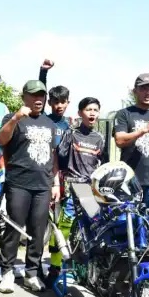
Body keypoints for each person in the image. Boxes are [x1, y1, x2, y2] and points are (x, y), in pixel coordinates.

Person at [0, 80, 60, 293]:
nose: (38, 99)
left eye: (41, 95)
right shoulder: (13, 118)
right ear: (24, 97)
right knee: (14, 228)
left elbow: (53, 155)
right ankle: (6, 271)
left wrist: (55, 183)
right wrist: (16, 118)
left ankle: (31, 272)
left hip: (43, 184)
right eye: (33, 95)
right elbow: (1, 140)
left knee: (38, 230)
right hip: (18, 182)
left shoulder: (50, 123)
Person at [45, 97, 107, 287]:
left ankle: (87, 269)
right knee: (63, 227)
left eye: (95, 110)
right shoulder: (71, 134)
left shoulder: (100, 138)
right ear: (80, 113)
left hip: (91, 189)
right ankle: (55, 268)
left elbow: (104, 165)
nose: (92, 113)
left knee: (93, 229)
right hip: (72, 186)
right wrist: (57, 184)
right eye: (88, 109)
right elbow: (58, 158)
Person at [113, 73, 149, 205]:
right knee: (130, 216)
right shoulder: (124, 114)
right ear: (135, 91)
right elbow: (119, 140)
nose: (148, 92)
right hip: (129, 179)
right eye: (143, 89)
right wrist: (143, 130)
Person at [38, 59, 71, 146]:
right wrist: (43, 72)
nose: (59, 105)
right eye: (56, 102)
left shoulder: (67, 127)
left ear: (68, 103)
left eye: (63, 102)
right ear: (49, 102)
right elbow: (41, 94)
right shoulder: (44, 119)